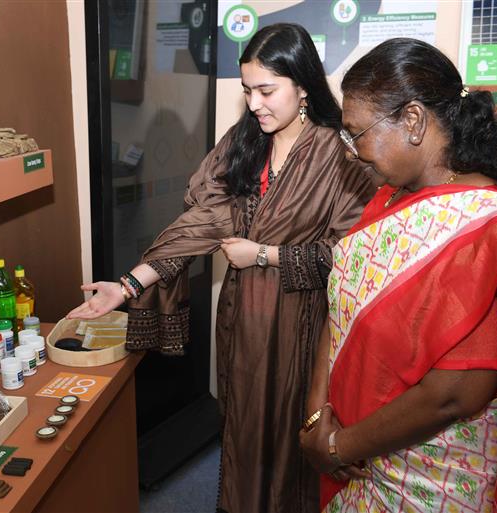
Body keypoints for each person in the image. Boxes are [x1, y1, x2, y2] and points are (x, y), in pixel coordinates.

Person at [68, 23, 375, 513]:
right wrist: (127, 285)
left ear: (302, 85)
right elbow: (203, 222)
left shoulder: (340, 157)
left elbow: (352, 258)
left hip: (300, 326)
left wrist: (266, 255)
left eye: (267, 90)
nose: (255, 104)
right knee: (241, 426)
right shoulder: (245, 142)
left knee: (287, 432)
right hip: (241, 319)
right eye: (248, 90)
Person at [299, 38, 497, 513]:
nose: (351, 151)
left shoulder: (486, 222)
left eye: (357, 133)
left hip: (429, 479)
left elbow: (455, 394)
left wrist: (338, 448)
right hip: (353, 458)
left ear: (412, 121)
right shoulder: (389, 199)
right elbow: (341, 312)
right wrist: (317, 419)